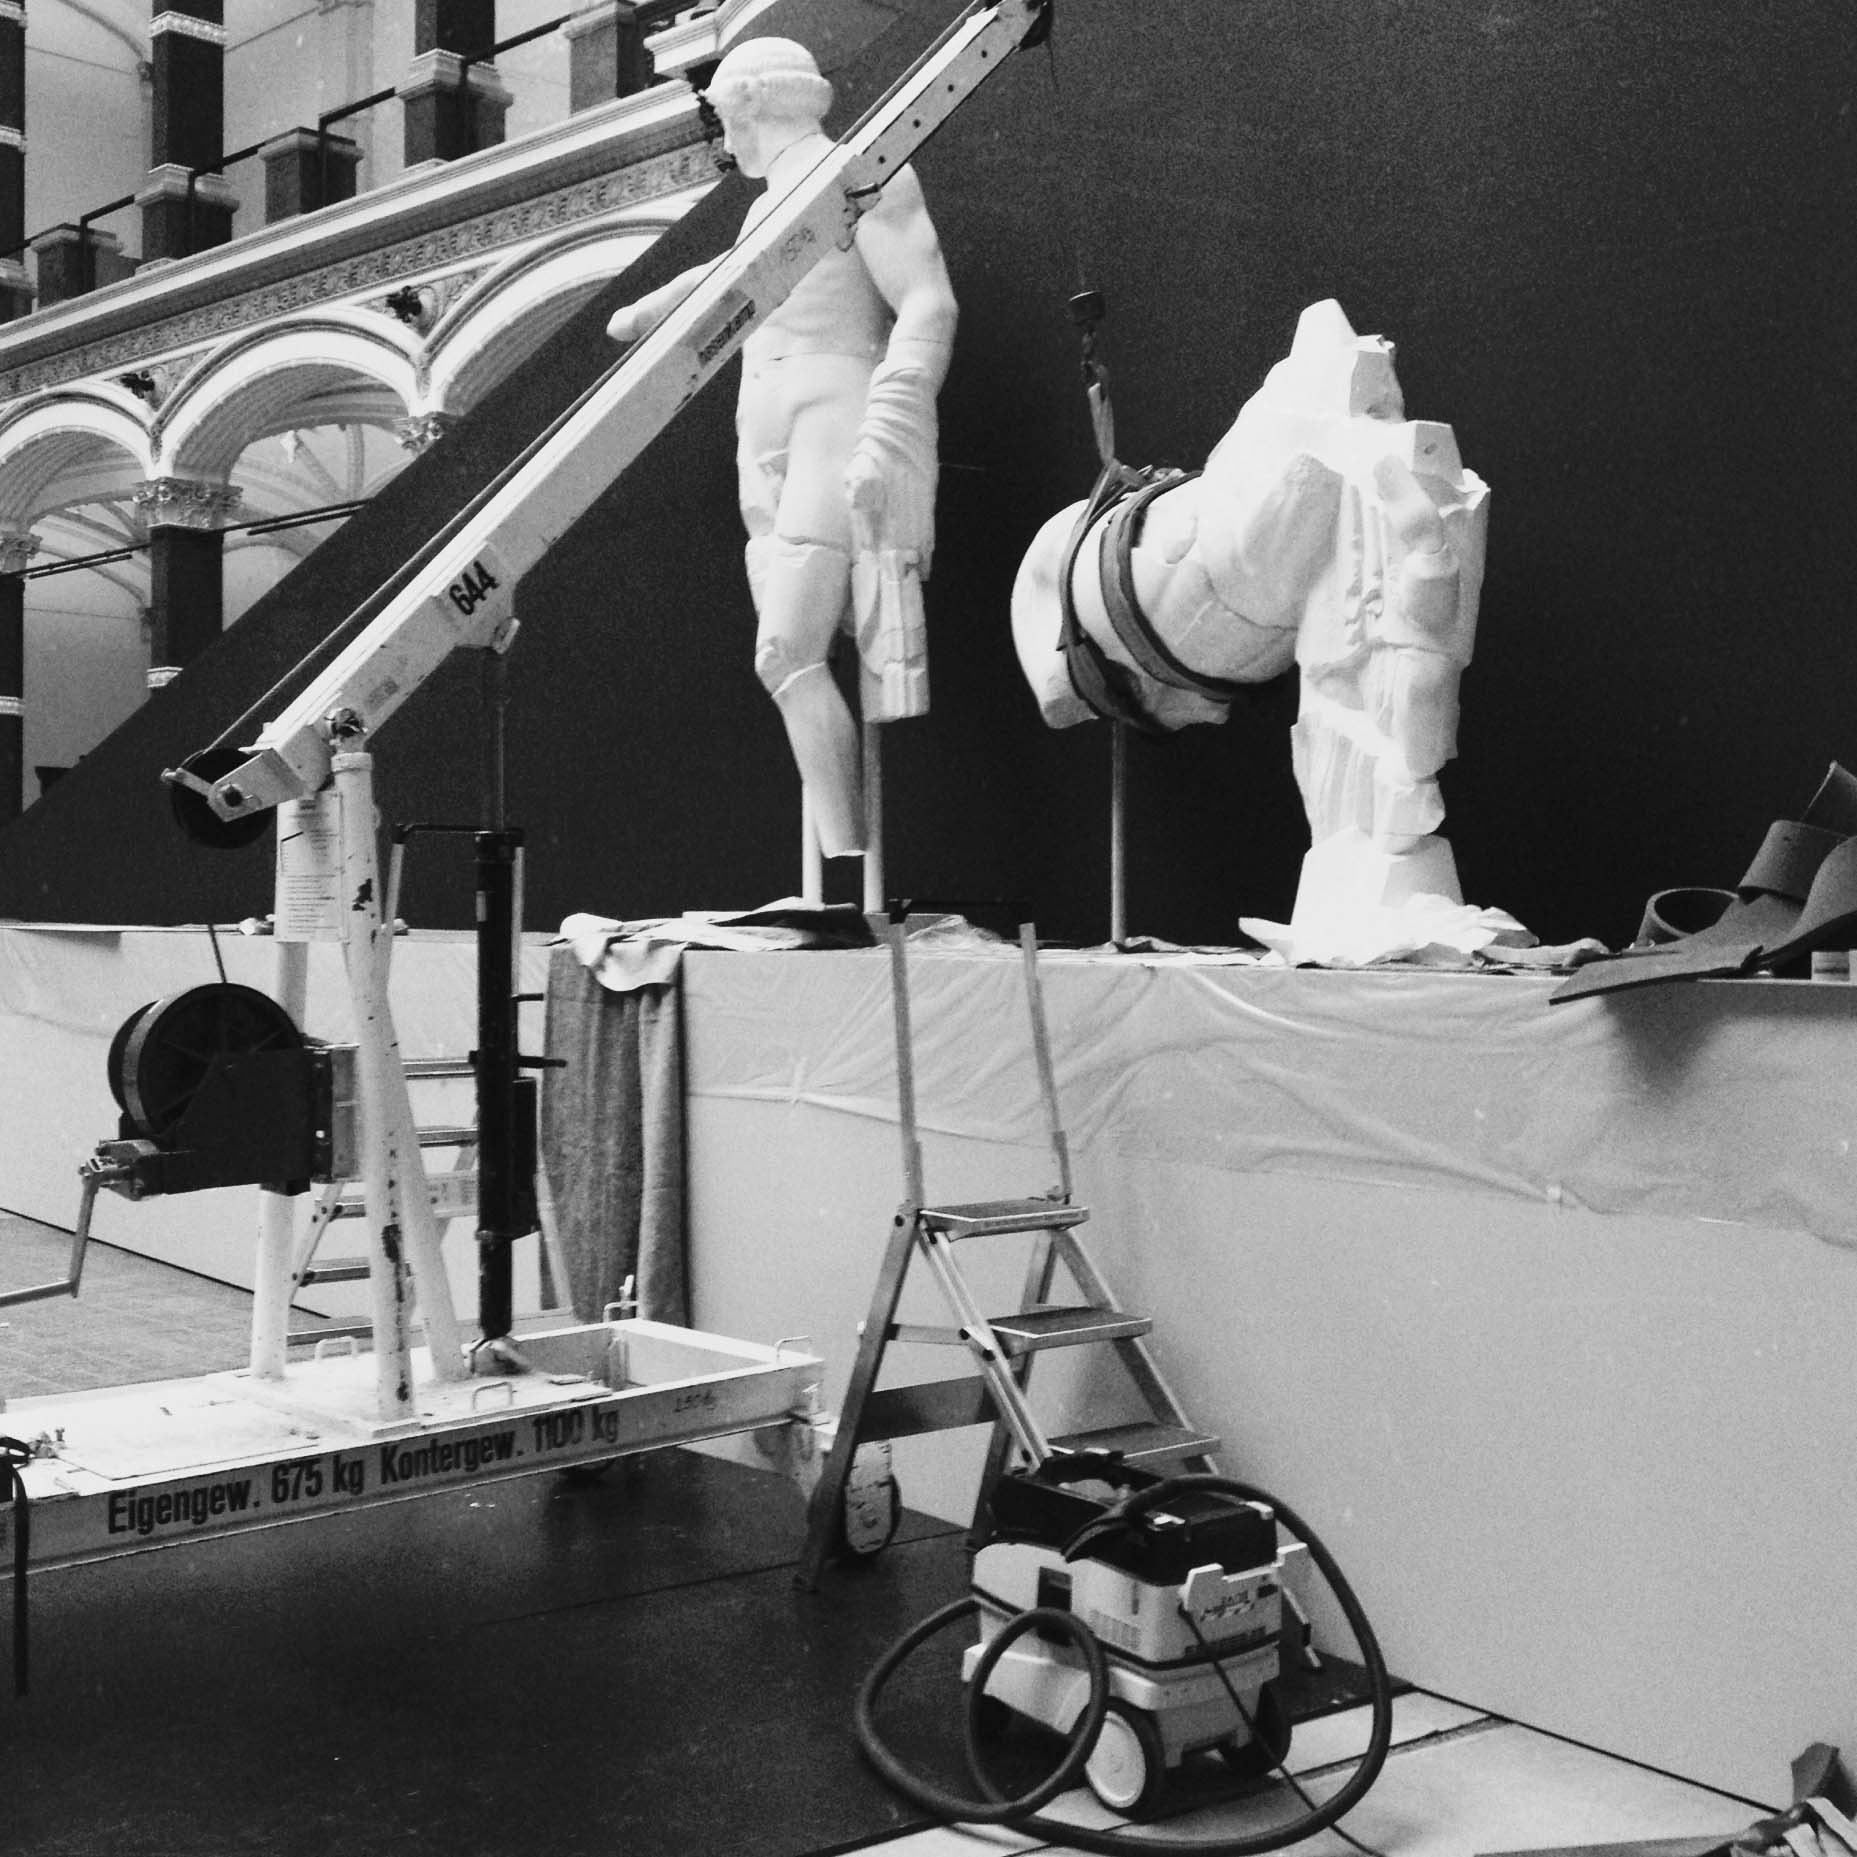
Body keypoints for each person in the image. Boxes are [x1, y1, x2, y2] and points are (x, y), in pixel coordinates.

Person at [607, 36, 957, 856]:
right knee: (786, 647)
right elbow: (734, 272)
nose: (722, 141)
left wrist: (893, 419)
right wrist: (655, 307)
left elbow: (928, 303)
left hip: (831, 414)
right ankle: (840, 864)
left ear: (749, 105)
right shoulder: (769, 204)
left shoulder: (861, 176)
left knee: (785, 652)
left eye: (719, 120)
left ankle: (846, 856)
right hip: (765, 428)